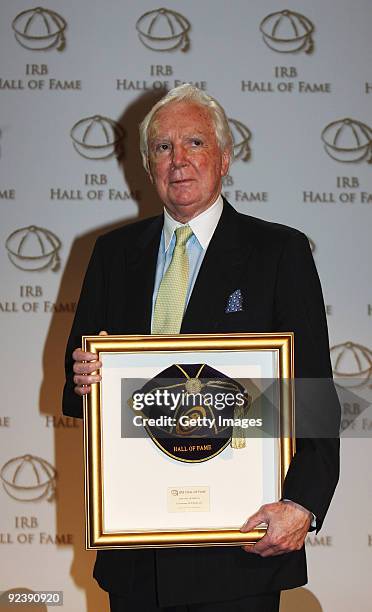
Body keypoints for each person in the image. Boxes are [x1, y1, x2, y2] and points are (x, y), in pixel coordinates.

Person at [62, 84, 340, 611]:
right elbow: (79, 395)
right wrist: (85, 382)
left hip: (237, 551)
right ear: (148, 165)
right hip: (137, 554)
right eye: (163, 147)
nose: (180, 160)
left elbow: (315, 395)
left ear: (225, 156)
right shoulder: (112, 255)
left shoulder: (279, 251)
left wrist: (304, 503)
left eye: (194, 142)